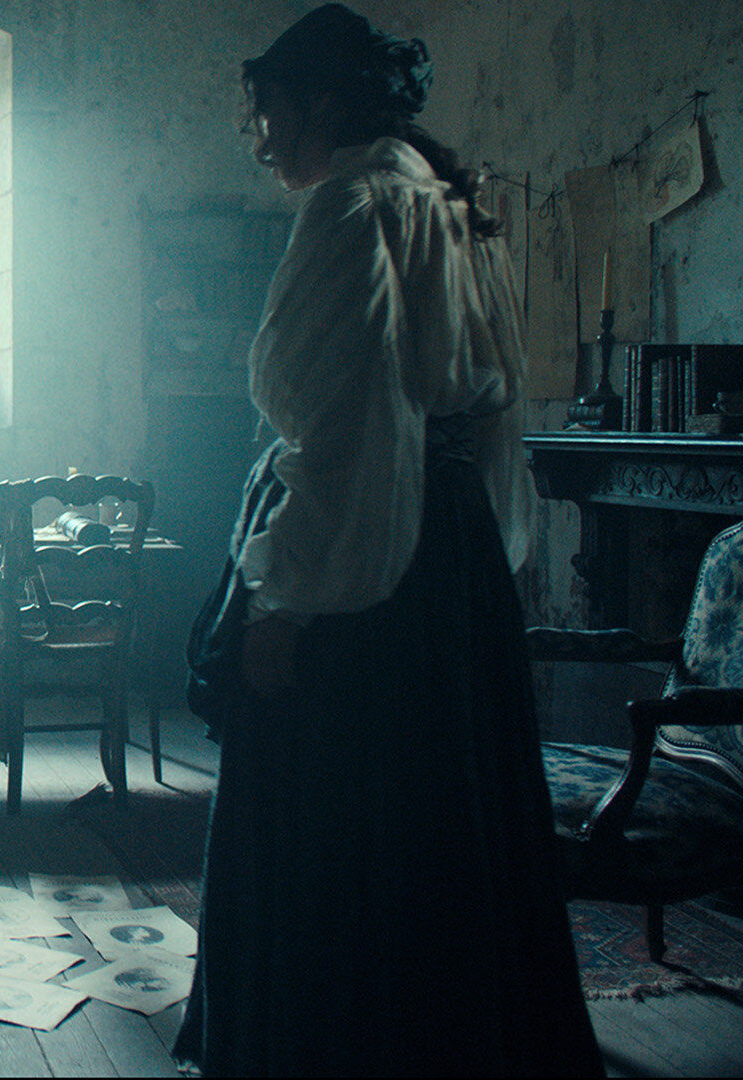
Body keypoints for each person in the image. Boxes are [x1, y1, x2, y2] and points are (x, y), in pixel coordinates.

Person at [178, 6, 603, 1075]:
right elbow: (482, 422)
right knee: (440, 819)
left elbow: (348, 432)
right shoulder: (444, 203)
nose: (260, 141)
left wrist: (287, 604)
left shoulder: (355, 205)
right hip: (448, 556)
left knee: (340, 826)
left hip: (372, 567)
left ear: (322, 103)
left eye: (268, 115)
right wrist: (482, 558)